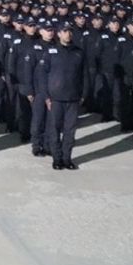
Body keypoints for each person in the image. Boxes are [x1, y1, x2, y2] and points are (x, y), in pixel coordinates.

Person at [36, 23, 86, 170]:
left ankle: (67, 158)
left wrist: (84, 94)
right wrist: (46, 96)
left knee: (70, 131)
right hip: (55, 98)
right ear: (59, 34)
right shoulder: (51, 52)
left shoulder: (79, 52)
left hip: (73, 98)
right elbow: (42, 75)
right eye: (64, 31)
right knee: (55, 129)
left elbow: (85, 75)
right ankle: (57, 158)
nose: (68, 34)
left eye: (70, 31)